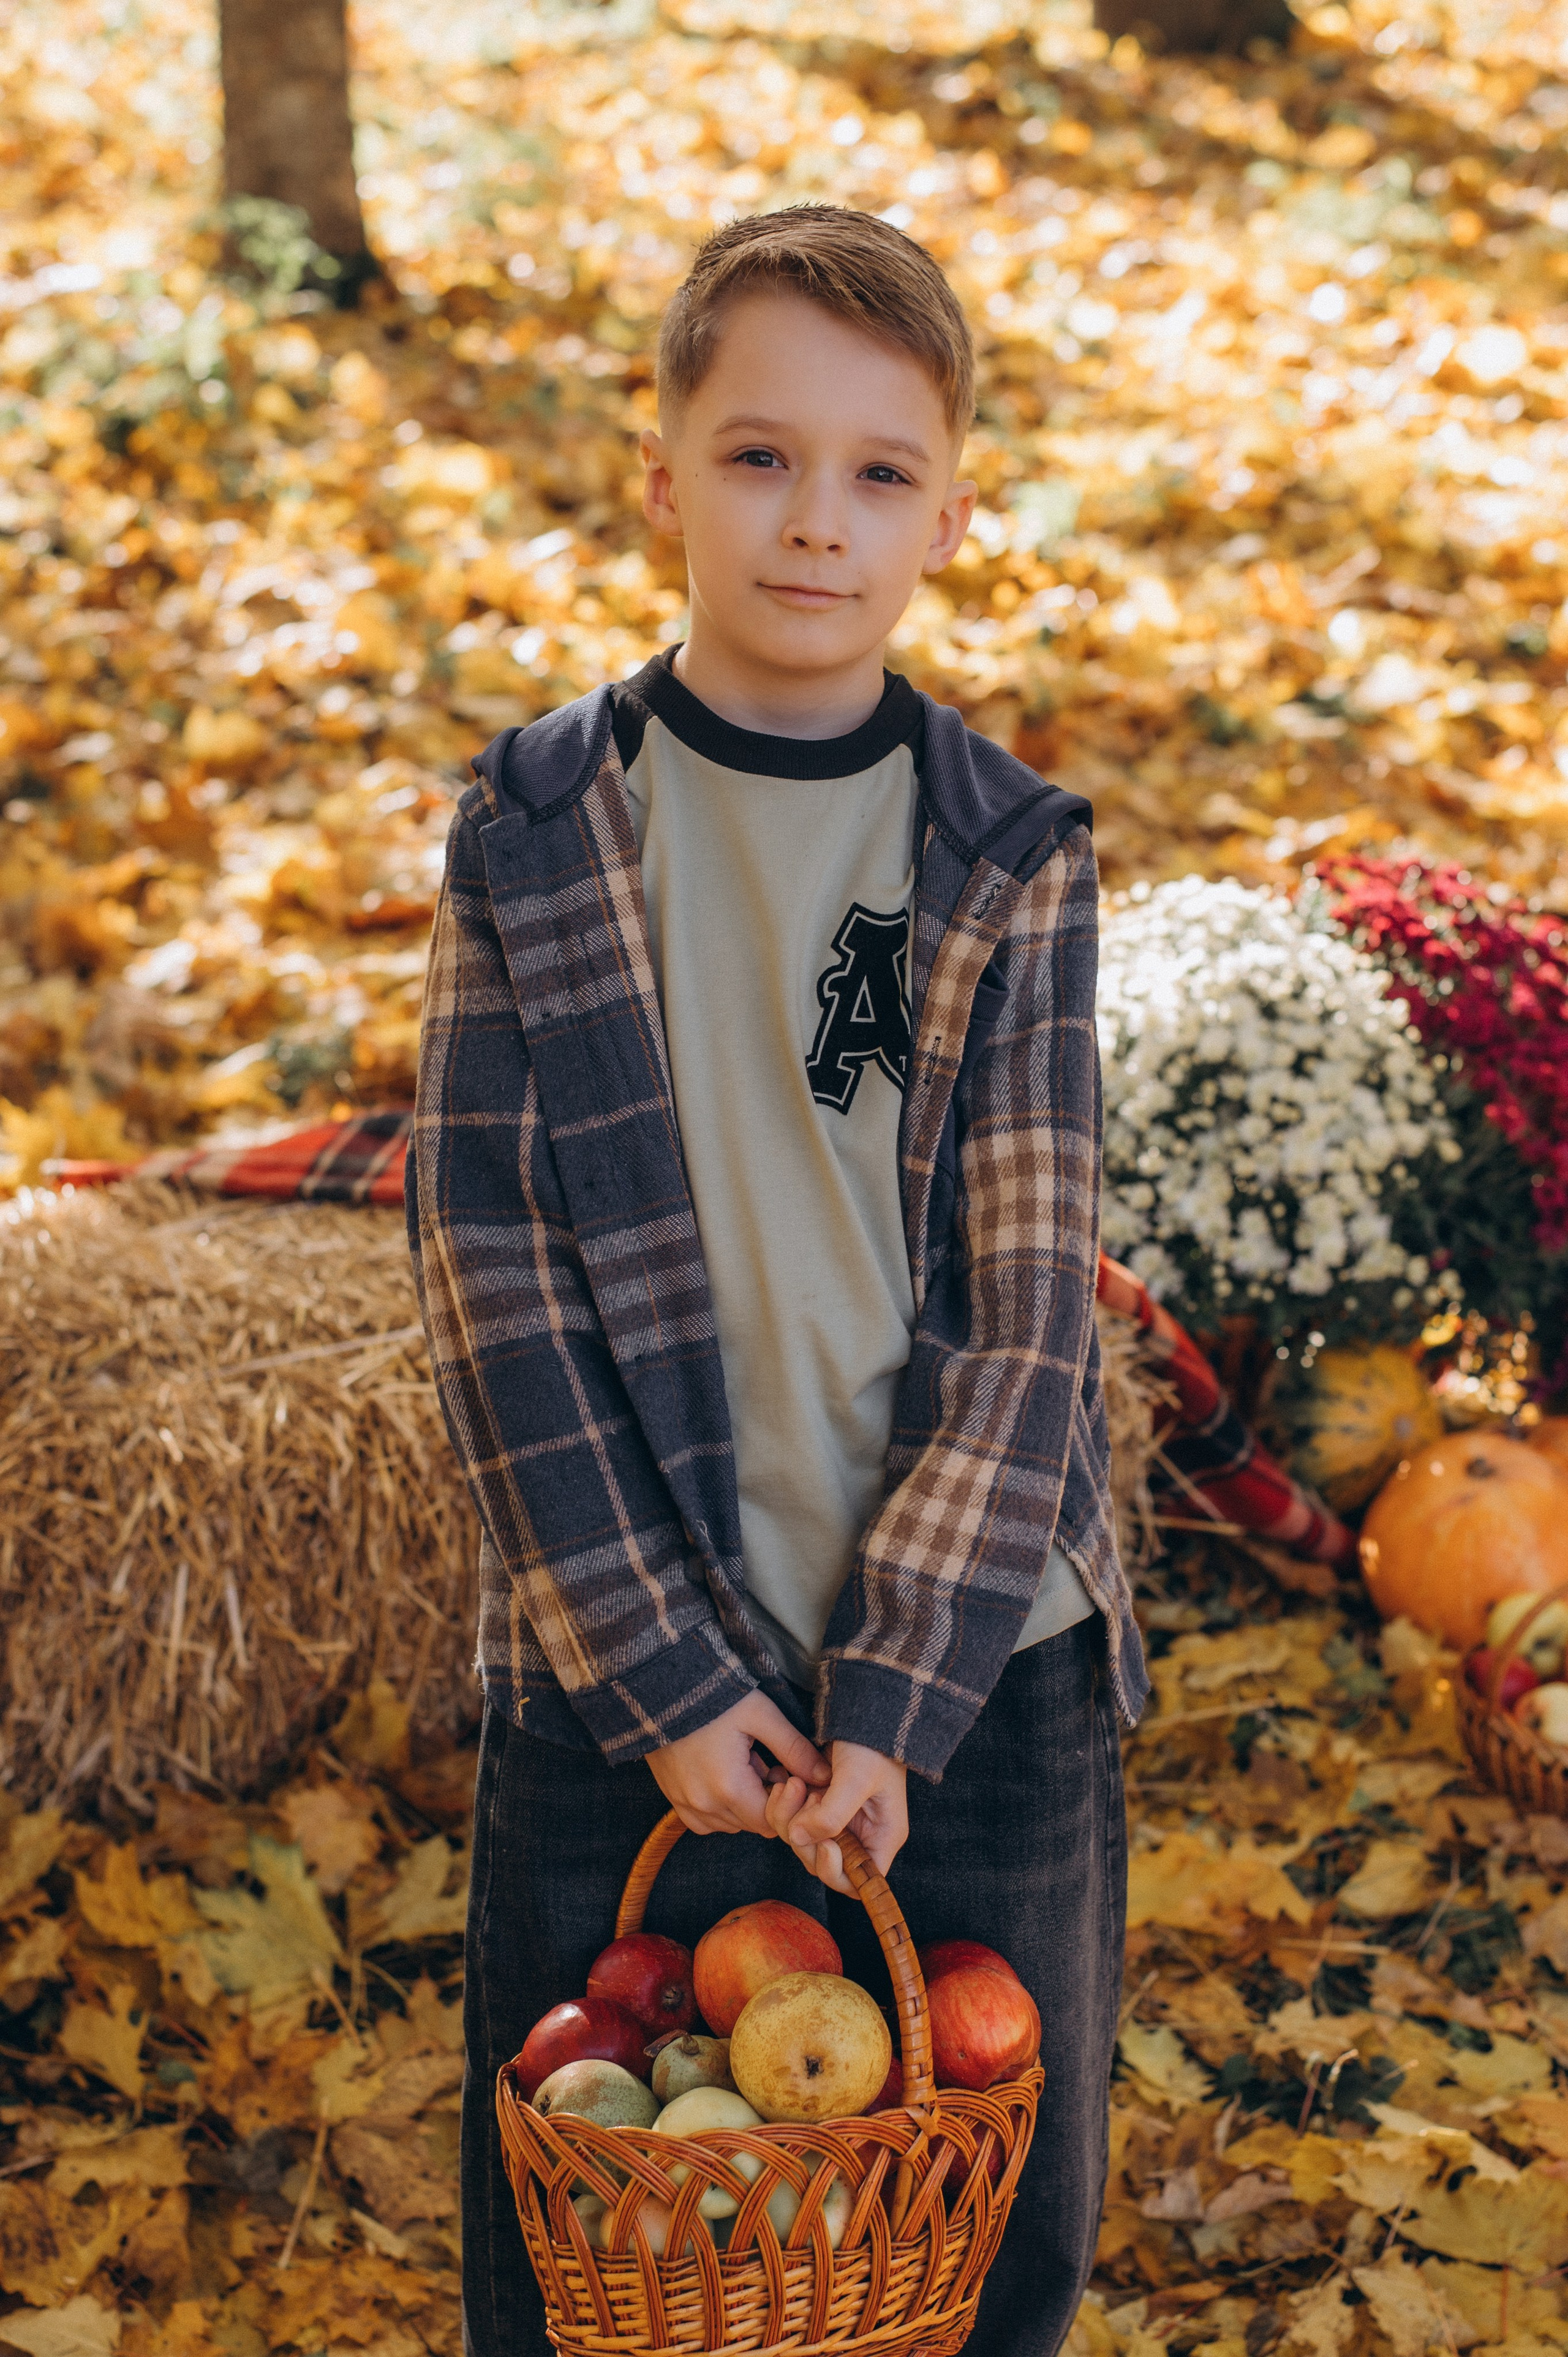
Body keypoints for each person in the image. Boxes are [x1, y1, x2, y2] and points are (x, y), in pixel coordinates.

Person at [407, 202, 1148, 2357]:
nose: (815, 520)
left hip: (976, 1671)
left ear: (950, 514)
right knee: (595, 2251)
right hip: (623, 1666)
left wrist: (896, 1694)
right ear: (658, 472)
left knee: (973, 2255)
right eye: (757, 456)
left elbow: (1031, 1314)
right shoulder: (538, 831)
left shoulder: (1008, 851)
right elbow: (494, 1282)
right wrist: (654, 1679)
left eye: (879, 473)